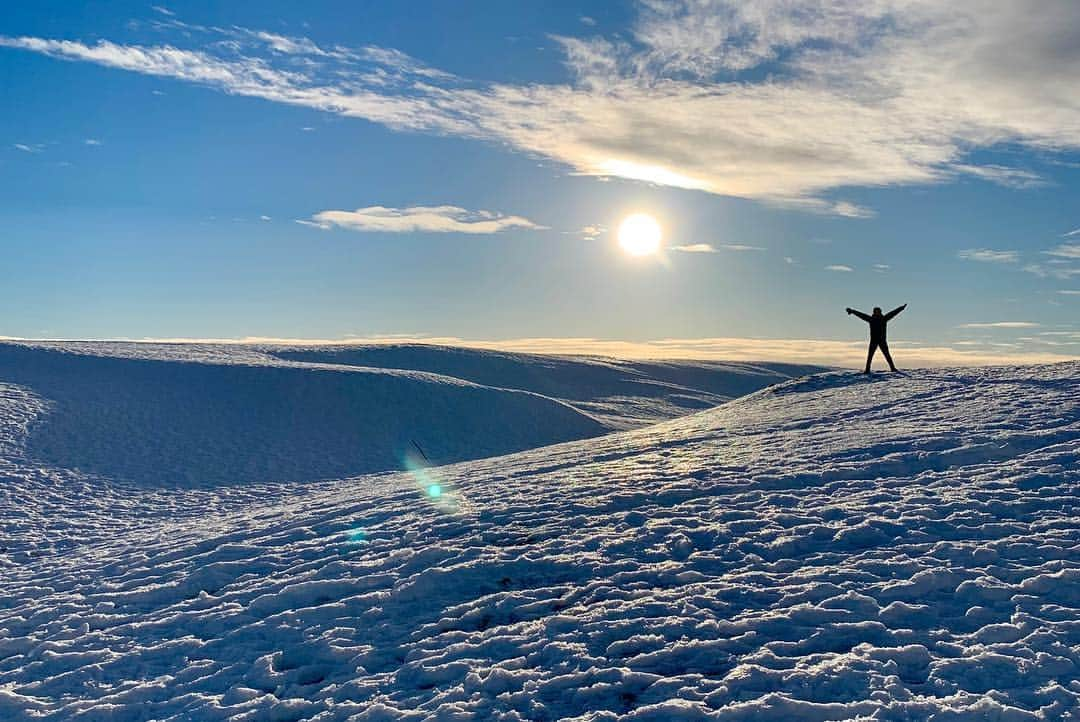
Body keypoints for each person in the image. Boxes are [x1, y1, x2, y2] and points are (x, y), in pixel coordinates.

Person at [846, 304, 907, 373]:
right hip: (874, 340)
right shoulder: (872, 319)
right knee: (870, 356)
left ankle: (892, 368)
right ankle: (867, 370)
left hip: (882, 340)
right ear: (874, 312)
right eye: (876, 311)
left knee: (887, 355)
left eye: (878, 311)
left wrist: (901, 308)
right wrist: (852, 311)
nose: (877, 313)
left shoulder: (883, 319)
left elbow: (893, 313)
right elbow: (861, 315)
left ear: (880, 312)